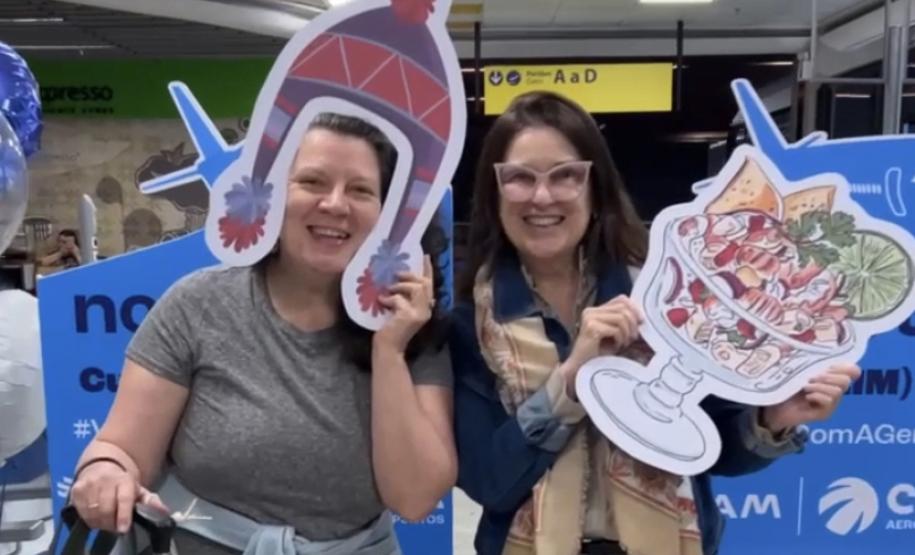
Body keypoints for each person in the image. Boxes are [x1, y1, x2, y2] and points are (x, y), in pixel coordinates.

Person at [449, 91, 861, 555]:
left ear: (595, 187)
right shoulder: (470, 325)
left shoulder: (666, 297)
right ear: (494, 192)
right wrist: (571, 380)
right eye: (520, 178)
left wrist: (772, 418)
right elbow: (489, 481)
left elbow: (714, 448)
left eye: (566, 175)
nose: (542, 196)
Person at [67, 113, 456, 554]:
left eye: (361, 190)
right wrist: (106, 472)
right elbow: (121, 448)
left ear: (393, 215)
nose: (334, 204)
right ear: (269, 195)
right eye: (312, 182)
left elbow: (415, 497)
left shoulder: (415, 329)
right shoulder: (197, 306)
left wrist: (389, 350)